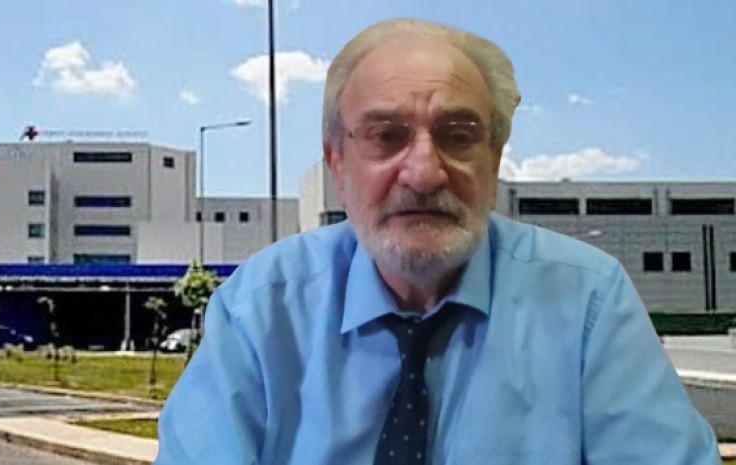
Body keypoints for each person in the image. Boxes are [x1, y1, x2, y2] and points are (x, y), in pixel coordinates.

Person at [155, 18, 720, 465]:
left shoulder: (588, 303)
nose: (424, 173)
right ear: (337, 163)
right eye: (386, 136)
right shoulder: (261, 308)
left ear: (494, 159)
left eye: (459, 136)